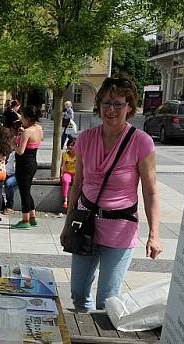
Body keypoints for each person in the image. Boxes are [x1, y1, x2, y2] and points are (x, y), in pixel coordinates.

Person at [60, 77, 163, 311]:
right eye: (106, 103)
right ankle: (82, 333)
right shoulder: (85, 138)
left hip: (120, 228)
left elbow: (150, 191)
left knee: (107, 299)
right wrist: (67, 224)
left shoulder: (141, 142)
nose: (111, 110)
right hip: (85, 224)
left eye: (118, 104)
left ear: (129, 106)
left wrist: (154, 234)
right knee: (77, 292)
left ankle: (98, 340)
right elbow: (78, 184)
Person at [11, 105, 43, 229]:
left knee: (24, 192)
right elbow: (35, 142)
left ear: (28, 118)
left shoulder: (27, 131)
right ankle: (33, 217)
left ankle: (25, 220)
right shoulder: (38, 128)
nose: (21, 119)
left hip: (23, 165)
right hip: (33, 163)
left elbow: (20, 151)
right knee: (27, 190)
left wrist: (14, 143)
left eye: (22, 116)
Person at [60, 138, 77, 211]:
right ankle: (65, 200)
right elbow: (62, 166)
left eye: (72, 145)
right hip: (67, 172)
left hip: (76, 173)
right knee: (66, 181)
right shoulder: (64, 154)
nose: (70, 147)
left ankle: (76, 201)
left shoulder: (79, 154)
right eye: (68, 145)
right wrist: (61, 175)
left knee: (78, 183)